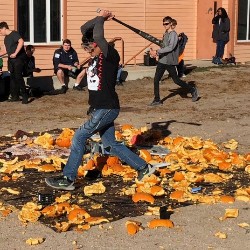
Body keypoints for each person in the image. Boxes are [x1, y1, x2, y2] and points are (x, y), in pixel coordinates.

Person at [45, 9, 167, 191]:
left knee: (79, 137)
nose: (86, 51)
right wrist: (99, 18)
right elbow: (83, 28)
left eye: (88, 47)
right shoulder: (95, 58)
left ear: (96, 45)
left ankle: (68, 179)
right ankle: (143, 167)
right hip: (99, 108)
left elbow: (98, 35)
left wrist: (102, 18)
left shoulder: (109, 55)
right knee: (110, 144)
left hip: (107, 108)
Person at [149, 17, 199, 106]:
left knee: (176, 80)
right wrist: (156, 54)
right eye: (163, 23)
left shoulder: (173, 35)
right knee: (156, 80)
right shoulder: (165, 34)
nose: (165, 25)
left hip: (169, 61)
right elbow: (163, 46)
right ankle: (157, 100)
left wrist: (157, 52)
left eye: (166, 23)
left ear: (171, 24)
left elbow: (170, 47)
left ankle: (192, 90)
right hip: (162, 60)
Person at [0, 21, 29, 104]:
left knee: (18, 76)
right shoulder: (6, 38)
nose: (0, 33)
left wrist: (16, 53)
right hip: (11, 59)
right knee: (12, 77)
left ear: (4, 28)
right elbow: (6, 50)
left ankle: (25, 96)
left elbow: (21, 41)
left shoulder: (14, 33)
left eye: (0, 31)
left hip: (19, 58)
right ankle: (15, 96)